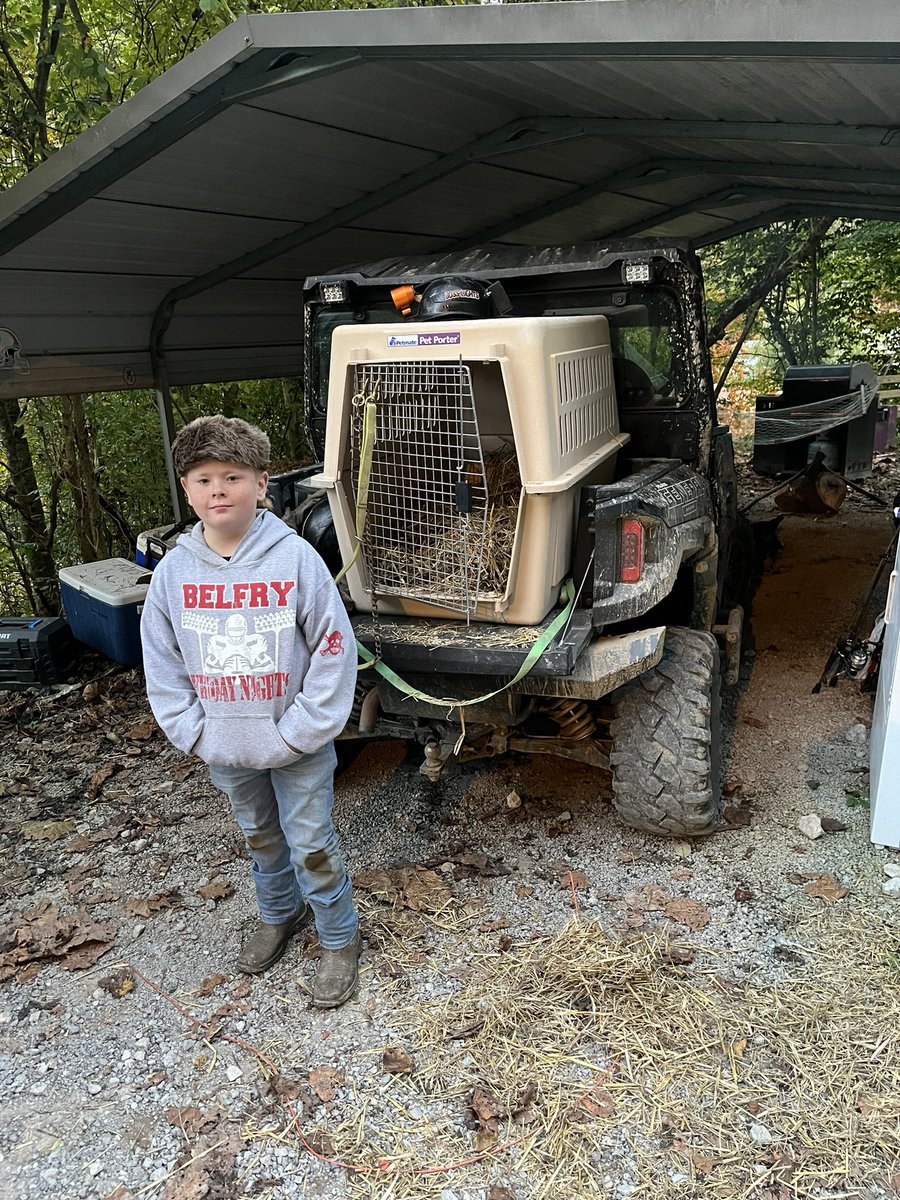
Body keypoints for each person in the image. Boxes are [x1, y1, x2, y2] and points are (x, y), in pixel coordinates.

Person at [140, 415, 360, 1007]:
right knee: (261, 835)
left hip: (295, 744)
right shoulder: (173, 576)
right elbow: (161, 663)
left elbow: (335, 649)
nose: (218, 490)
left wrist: (297, 733)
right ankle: (277, 915)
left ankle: (339, 938)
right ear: (186, 490)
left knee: (309, 837)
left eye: (232, 476)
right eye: (204, 478)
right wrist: (196, 733)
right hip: (225, 746)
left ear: (262, 484)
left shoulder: (295, 561)